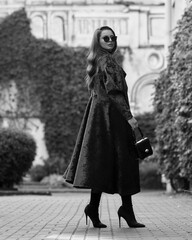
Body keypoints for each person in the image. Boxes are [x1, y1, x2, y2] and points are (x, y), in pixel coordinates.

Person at [63, 26, 145, 229]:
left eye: (112, 37)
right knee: (122, 161)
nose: (110, 40)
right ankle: (125, 209)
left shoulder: (101, 59)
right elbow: (115, 92)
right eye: (105, 38)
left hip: (102, 119)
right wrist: (130, 118)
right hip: (112, 119)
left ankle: (96, 207)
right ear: (98, 41)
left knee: (103, 163)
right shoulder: (106, 60)